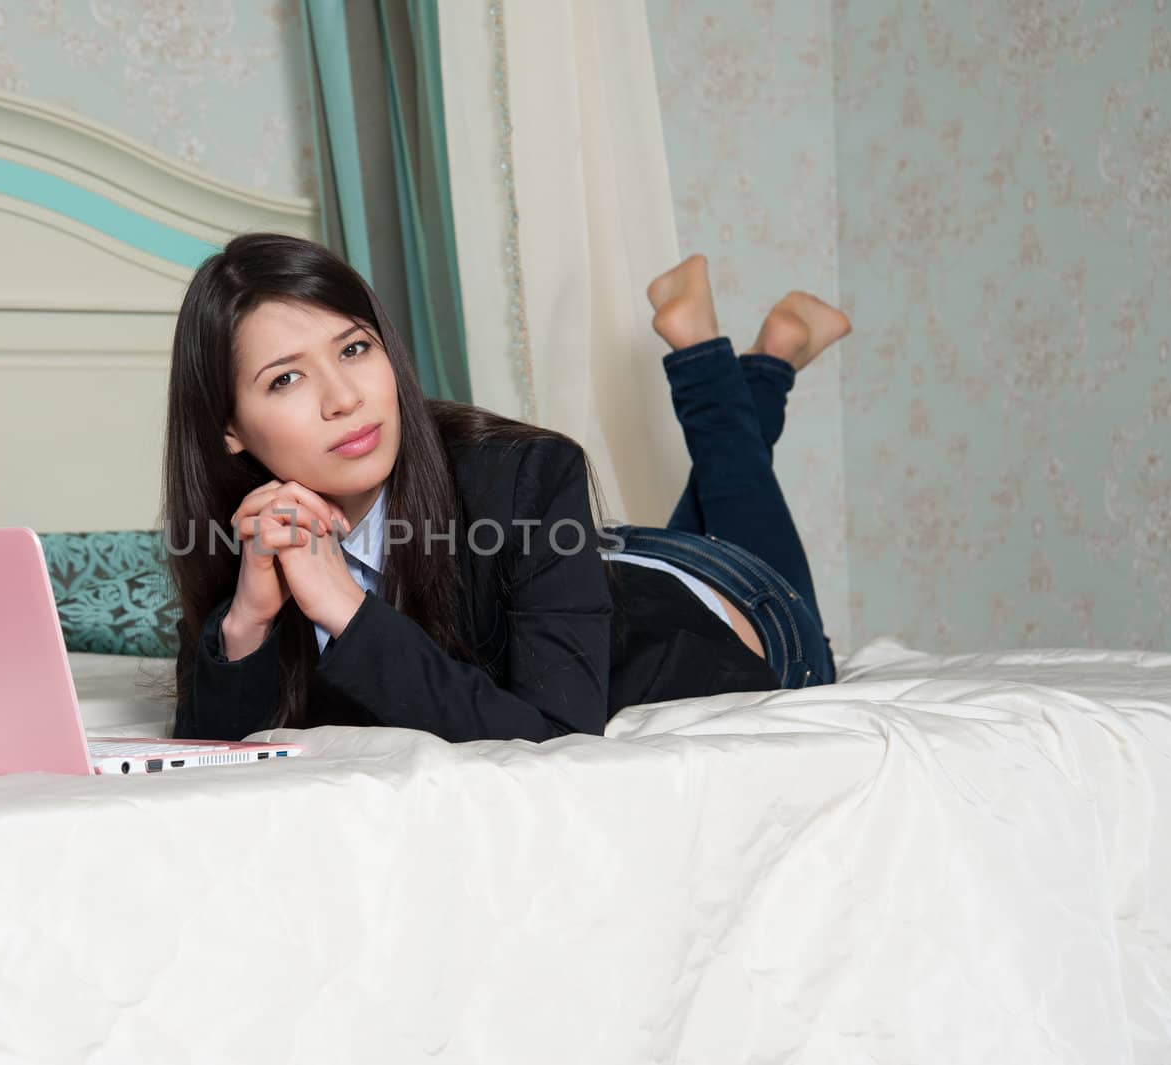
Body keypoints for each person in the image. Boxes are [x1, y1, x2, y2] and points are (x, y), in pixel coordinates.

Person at [164, 233, 848, 743]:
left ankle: (734, 359)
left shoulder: (529, 471)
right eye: (286, 378)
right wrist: (246, 620)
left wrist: (345, 606)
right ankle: (758, 359)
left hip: (733, 611)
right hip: (586, 570)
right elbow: (211, 753)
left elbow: (555, 739)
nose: (343, 397)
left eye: (353, 349)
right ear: (228, 428)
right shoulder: (257, 527)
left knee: (755, 544)